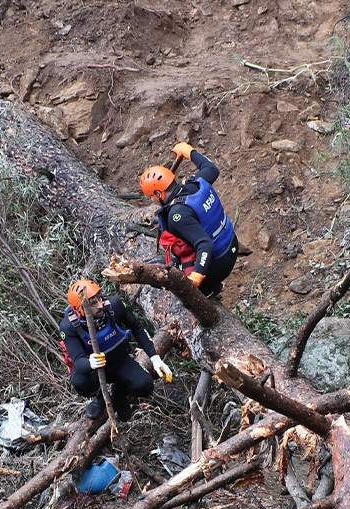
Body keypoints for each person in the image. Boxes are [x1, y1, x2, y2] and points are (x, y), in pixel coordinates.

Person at [60, 279, 172, 421]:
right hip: (95, 370)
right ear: (79, 308)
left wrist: (155, 358)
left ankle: (119, 392)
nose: (100, 305)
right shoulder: (69, 327)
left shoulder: (114, 306)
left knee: (145, 385)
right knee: (79, 381)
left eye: (99, 298)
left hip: (119, 360)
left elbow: (137, 328)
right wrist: (90, 363)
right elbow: (78, 360)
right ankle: (100, 397)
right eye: (92, 303)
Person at [140, 142, 239, 298]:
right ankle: (209, 283)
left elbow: (204, 244)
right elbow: (212, 169)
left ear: (159, 194)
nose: (153, 201)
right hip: (231, 245)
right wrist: (189, 152)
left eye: (152, 197)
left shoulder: (177, 214)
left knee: (154, 271)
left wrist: (196, 276)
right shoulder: (195, 183)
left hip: (218, 264)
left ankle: (207, 289)